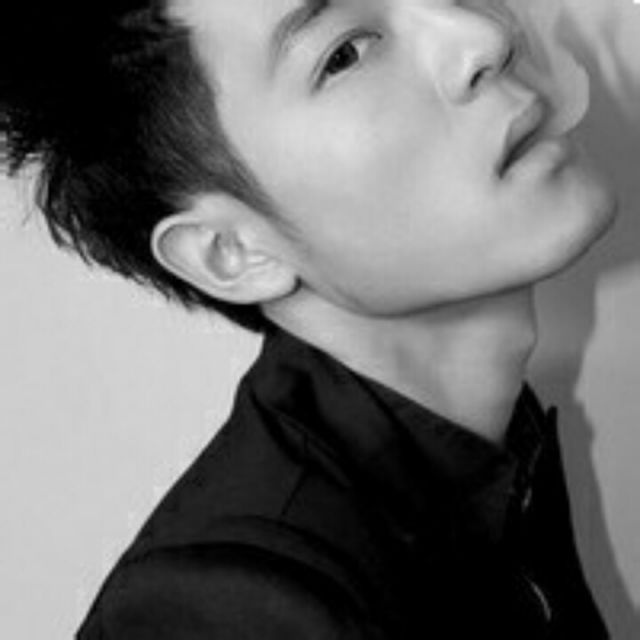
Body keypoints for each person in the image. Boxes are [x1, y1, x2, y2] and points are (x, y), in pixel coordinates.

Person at [1, 0, 617, 638]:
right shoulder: (232, 609)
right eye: (344, 55)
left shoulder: (487, 460)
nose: (486, 36)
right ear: (231, 251)